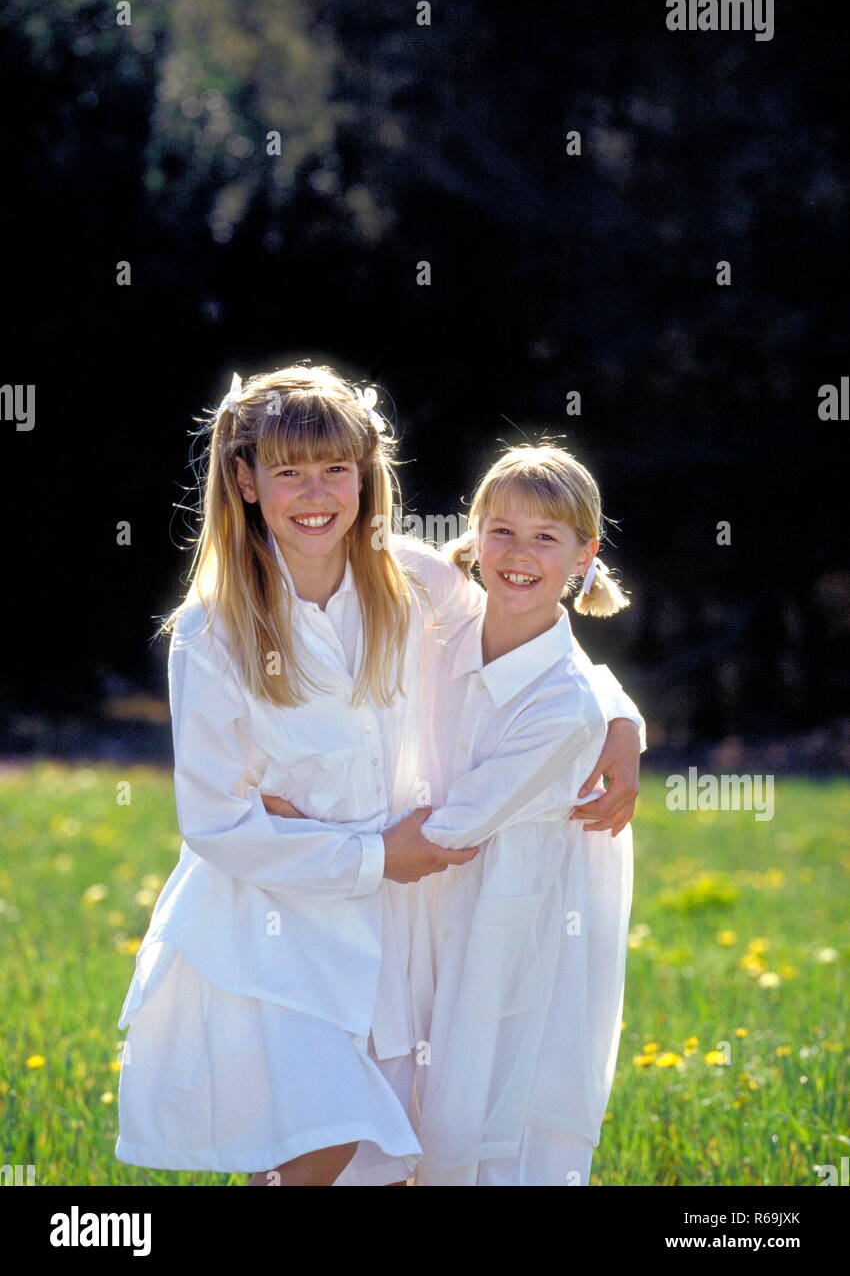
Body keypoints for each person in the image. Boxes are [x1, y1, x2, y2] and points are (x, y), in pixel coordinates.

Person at [115, 365, 640, 1186]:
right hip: (270, 926)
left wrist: (617, 715)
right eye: (288, 472)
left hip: (390, 931)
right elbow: (217, 827)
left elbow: (525, 640)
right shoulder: (212, 630)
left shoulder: (409, 576)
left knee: (379, 1167)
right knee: (319, 1143)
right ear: (246, 482)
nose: (315, 493)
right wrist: (372, 855)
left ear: (365, 476)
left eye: (336, 469)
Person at [405, 444, 643, 1185]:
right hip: (422, 902)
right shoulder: (440, 615)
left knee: (474, 1115)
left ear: (584, 556)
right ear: (472, 535)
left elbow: (449, 832)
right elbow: (344, 536)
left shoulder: (567, 708)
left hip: (505, 919)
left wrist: (302, 836)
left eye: (547, 537)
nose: (518, 553)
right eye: (500, 530)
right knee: (405, 1103)